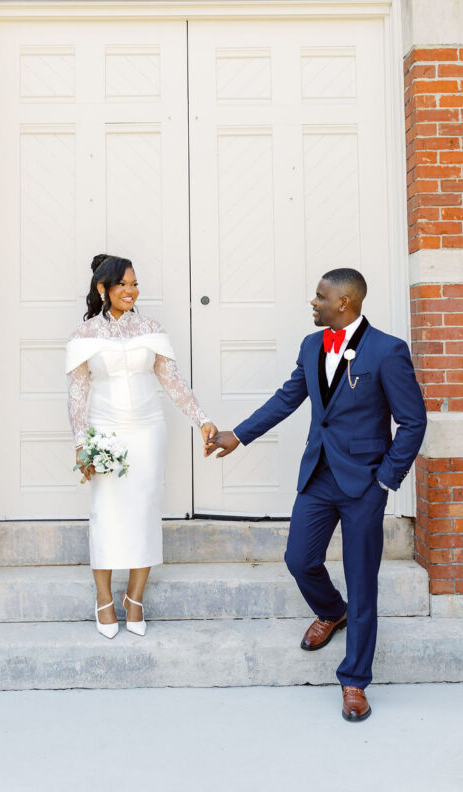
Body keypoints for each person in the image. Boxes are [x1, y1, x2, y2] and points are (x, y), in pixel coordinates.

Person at [204, 267, 427, 721]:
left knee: (363, 582)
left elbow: (413, 421)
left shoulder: (387, 351)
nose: (313, 302)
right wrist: (239, 435)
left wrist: (386, 478)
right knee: (299, 559)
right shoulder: (311, 346)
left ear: (344, 302)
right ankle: (331, 610)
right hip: (319, 477)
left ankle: (354, 681)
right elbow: (287, 399)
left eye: (320, 296)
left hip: (365, 482)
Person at [66, 254, 217, 638]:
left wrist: (201, 419)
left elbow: (173, 382)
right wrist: (81, 444)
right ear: (103, 289)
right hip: (105, 431)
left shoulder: (151, 328)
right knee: (105, 512)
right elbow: (77, 394)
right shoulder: (84, 335)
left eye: (135, 285)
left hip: (148, 431)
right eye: (123, 285)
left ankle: (135, 598)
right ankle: (103, 599)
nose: (131, 291)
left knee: (145, 510)